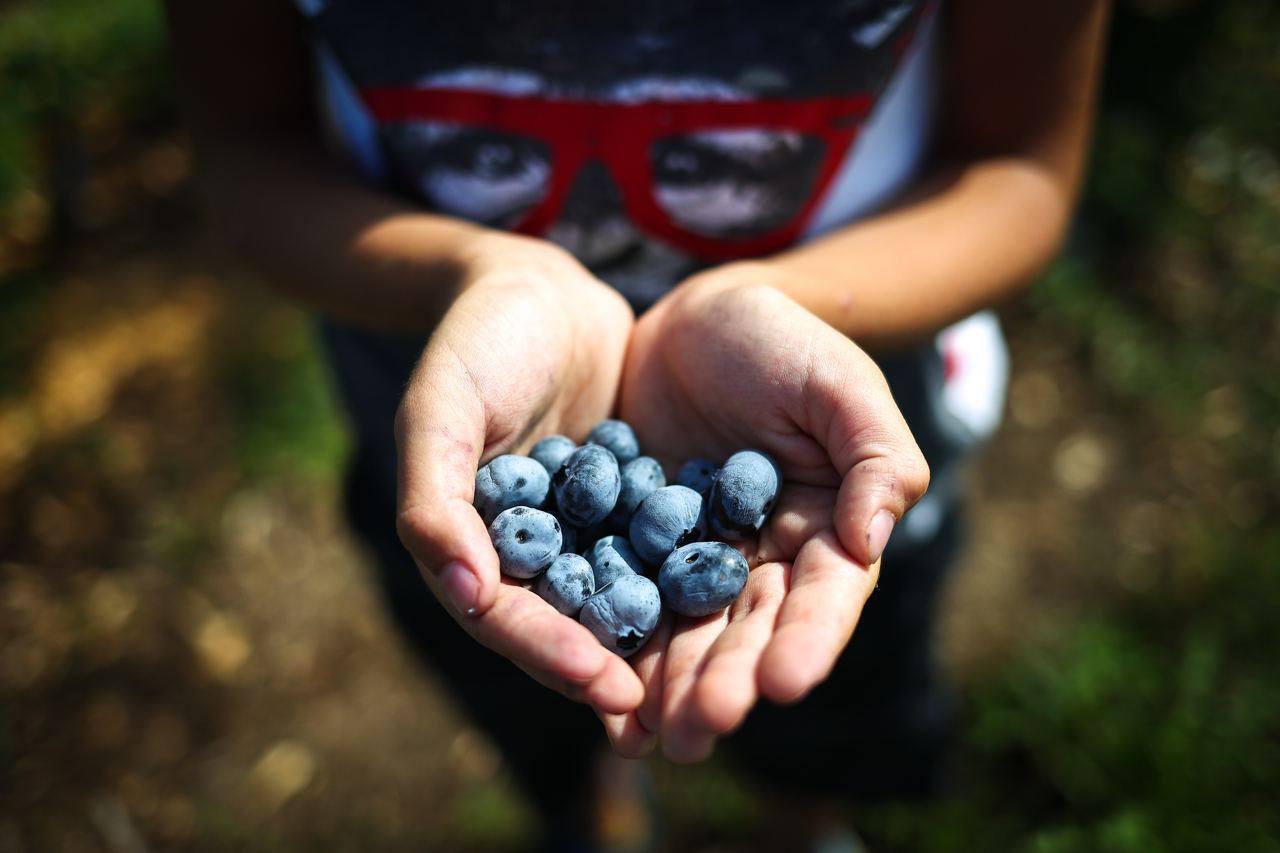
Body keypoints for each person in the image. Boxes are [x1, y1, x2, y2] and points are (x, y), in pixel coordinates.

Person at [166, 0, 1108, 848]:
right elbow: (248, 152)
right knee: (519, 673)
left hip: (823, 408)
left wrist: (790, 297)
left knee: (835, 688)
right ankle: (591, 804)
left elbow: (1018, 170)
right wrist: (484, 272)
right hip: (450, 422)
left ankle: (805, 818)